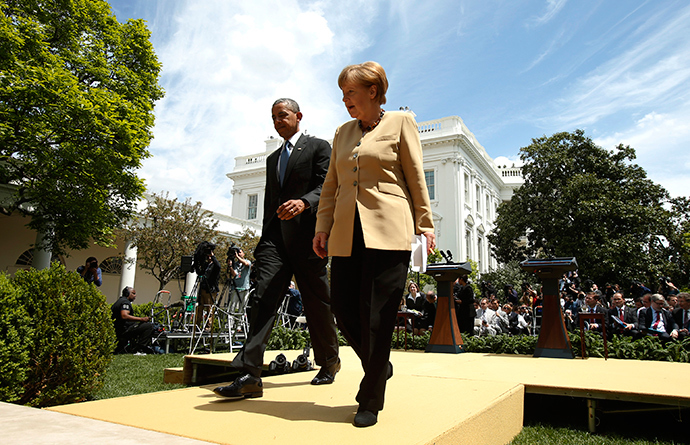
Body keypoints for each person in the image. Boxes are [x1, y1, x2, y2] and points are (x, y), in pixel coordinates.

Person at [313, 61, 435, 428]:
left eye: (351, 92)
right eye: (342, 94)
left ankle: (370, 399)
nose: (345, 100)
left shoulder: (400, 122)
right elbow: (332, 184)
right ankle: (380, 363)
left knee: (378, 316)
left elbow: (414, 174)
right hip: (347, 232)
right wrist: (322, 227)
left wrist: (425, 224)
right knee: (344, 308)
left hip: (390, 228)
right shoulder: (343, 132)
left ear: (373, 91)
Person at [214, 98, 340, 400]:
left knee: (316, 303)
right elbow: (272, 201)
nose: (276, 121)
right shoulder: (272, 160)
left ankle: (329, 361)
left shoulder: (319, 147)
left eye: (281, 115)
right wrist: (265, 235)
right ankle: (249, 374)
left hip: (309, 239)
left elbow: (329, 185)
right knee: (262, 296)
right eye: (273, 117)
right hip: (275, 240)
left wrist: (304, 202)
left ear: (298, 116)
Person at [111, 287, 155, 354]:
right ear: (127, 293)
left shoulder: (119, 301)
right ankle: (140, 349)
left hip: (119, 329)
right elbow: (124, 315)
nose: (135, 296)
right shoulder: (125, 302)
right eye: (133, 293)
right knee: (149, 326)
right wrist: (141, 319)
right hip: (124, 330)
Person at [193, 241, 221, 331]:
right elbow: (200, 272)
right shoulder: (206, 265)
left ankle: (208, 326)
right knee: (200, 307)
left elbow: (218, 266)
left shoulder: (215, 266)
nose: (208, 257)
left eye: (210, 256)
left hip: (211, 289)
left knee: (209, 308)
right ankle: (197, 325)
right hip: (203, 288)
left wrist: (213, 255)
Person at [228, 248, 252, 313]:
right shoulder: (235, 264)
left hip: (244, 288)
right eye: (237, 252)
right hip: (235, 288)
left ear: (243, 254)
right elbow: (234, 274)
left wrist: (237, 257)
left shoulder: (248, 261)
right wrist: (230, 266)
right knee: (232, 307)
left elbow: (246, 264)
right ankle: (230, 322)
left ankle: (240, 323)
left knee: (242, 308)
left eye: (240, 252)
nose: (238, 254)